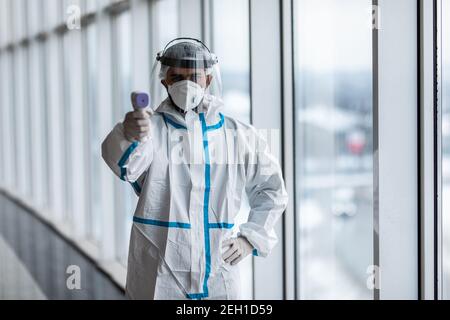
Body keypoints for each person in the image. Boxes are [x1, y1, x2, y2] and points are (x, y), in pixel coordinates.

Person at [102, 38, 288, 300]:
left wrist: (251, 238)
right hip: (158, 272)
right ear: (164, 80)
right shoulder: (150, 131)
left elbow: (272, 190)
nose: (185, 84)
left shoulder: (239, 135)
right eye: (177, 76)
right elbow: (124, 166)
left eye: (194, 76)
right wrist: (130, 134)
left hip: (219, 274)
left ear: (208, 80)